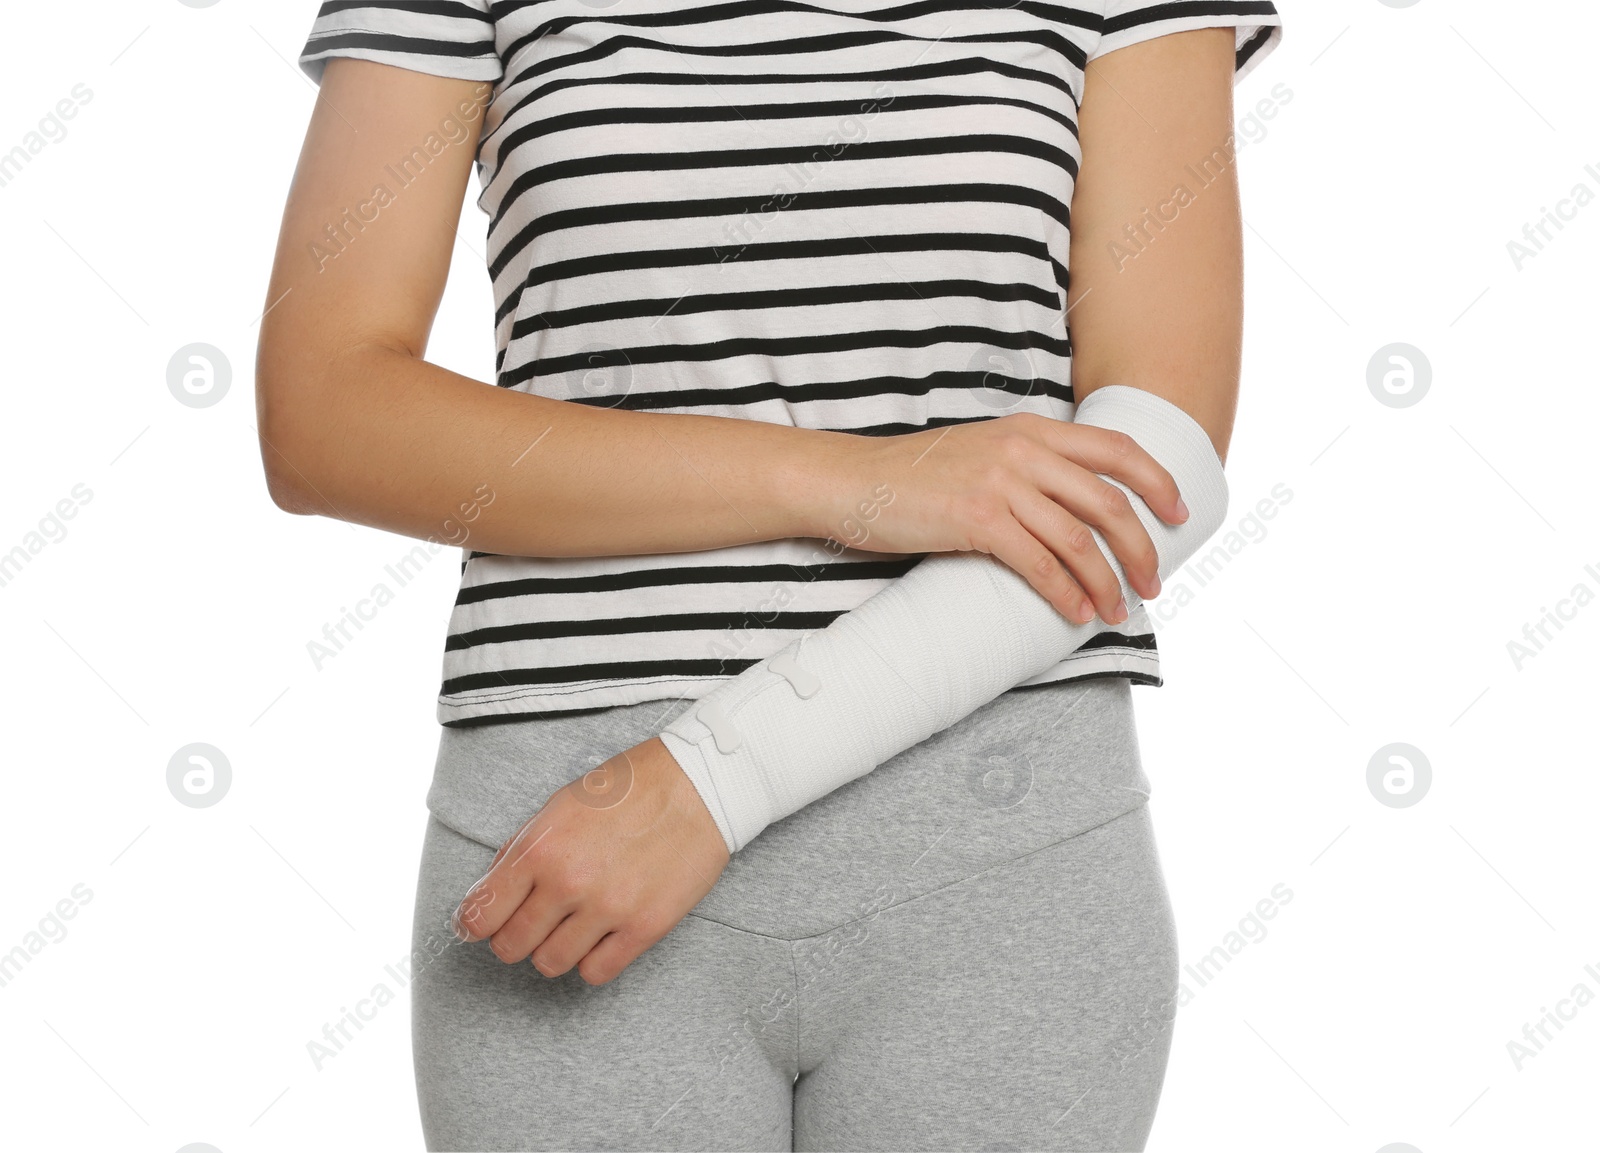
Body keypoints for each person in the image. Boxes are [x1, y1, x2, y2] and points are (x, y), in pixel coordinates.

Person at [259, 3, 1282, 1149]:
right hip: (573, 848)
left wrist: (720, 774)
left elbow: (1152, 469)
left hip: (996, 861)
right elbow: (322, 415)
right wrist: (853, 483)